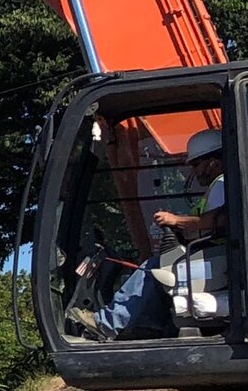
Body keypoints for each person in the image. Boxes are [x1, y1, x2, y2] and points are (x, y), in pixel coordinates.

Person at [77, 130, 228, 340]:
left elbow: (218, 222)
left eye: (196, 165)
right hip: (212, 254)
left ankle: (107, 323)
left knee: (153, 267)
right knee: (161, 266)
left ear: (212, 162)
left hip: (216, 257)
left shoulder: (221, 184)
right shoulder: (220, 185)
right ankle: (148, 326)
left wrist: (175, 220)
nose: (194, 171)